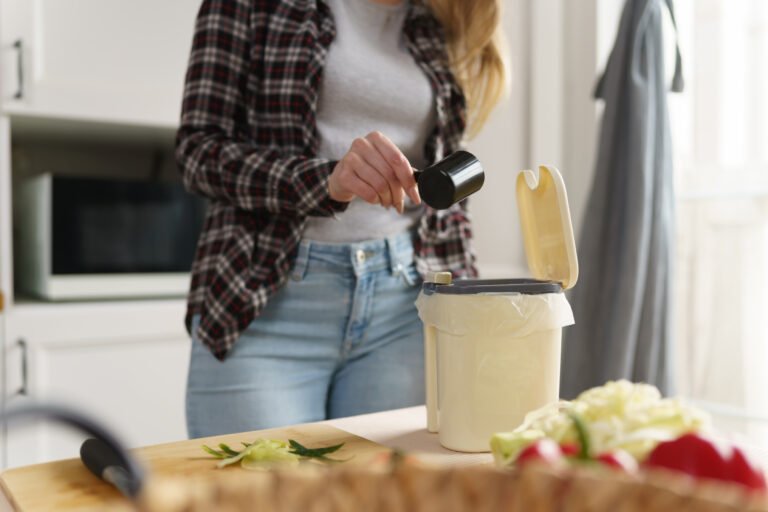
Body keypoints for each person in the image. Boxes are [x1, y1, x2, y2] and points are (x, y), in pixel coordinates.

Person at [177, 0, 508, 438]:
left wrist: (468, 304)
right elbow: (198, 151)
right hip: (265, 302)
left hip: (404, 306)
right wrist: (326, 180)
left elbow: (447, 195)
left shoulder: (433, 25)